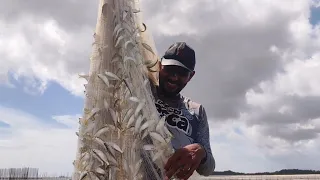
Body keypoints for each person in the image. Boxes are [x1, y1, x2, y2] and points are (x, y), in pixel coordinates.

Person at [149, 42, 215, 180]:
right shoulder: (139, 91)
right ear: (160, 66)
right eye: (170, 69)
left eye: (182, 73)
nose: (174, 77)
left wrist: (201, 152)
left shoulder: (197, 111)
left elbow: (209, 168)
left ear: (191, 76)